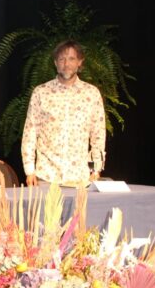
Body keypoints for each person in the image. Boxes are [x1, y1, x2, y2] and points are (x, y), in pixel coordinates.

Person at [21, 40, 106, 186]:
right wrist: (29, 170)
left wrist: (96, 169)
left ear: (80, 62)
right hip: (46, 176)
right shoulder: (41, 92)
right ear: (55, 63)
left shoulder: (92, 94)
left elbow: (98, 133)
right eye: (62, 59)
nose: (66, 64)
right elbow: (30, 132)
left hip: (80, 178)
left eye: (72, 59)